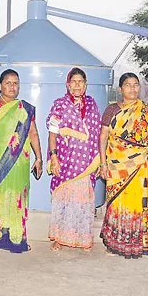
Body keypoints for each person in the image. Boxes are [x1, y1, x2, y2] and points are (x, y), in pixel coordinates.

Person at [0, 69, 43, 254]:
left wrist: (39, 158)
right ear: (0, 86)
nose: (12, 87)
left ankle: (17, 238)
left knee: (16, 199)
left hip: (19, 165)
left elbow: (33, 133)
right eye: (8, 83)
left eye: (15, 83)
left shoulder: (25, 108)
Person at [99, 73, 148, 258]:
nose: (132, 88)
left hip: (142, 165)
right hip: (117, 166)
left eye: (135, 85)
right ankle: (115, 242)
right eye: (128, 85)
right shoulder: (111, 110)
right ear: (121, 89)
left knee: (140, 203)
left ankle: (139, 243)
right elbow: (103, 137)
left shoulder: (147, 111)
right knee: (118, 203)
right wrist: (103, 163)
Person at [46, 67, 101, 252]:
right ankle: (59, 239)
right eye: (74, 82)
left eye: (81, 82)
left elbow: (97, 134)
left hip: (86, 162)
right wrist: (53, 157)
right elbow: (52, 133)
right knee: (64, 198)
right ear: (68, 84)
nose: (77, 85)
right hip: (65, 159)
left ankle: (83, 237)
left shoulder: (92, 105)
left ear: (86, 84)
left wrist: (100, 159)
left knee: (82, 200)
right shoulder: (59, 104)